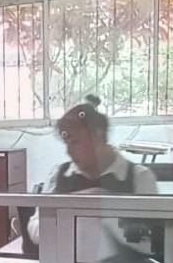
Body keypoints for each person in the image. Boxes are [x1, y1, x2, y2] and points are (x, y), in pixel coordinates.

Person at [26, 95, 158, 245]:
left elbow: (154, 236)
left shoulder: (140, 178)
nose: (69, 151)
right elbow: (35, 230)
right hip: (66, 259)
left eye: (75, 142)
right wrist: (73, 206)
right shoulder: (58, 175)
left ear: (98, 136)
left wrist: (108, 210)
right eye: (66, 143)